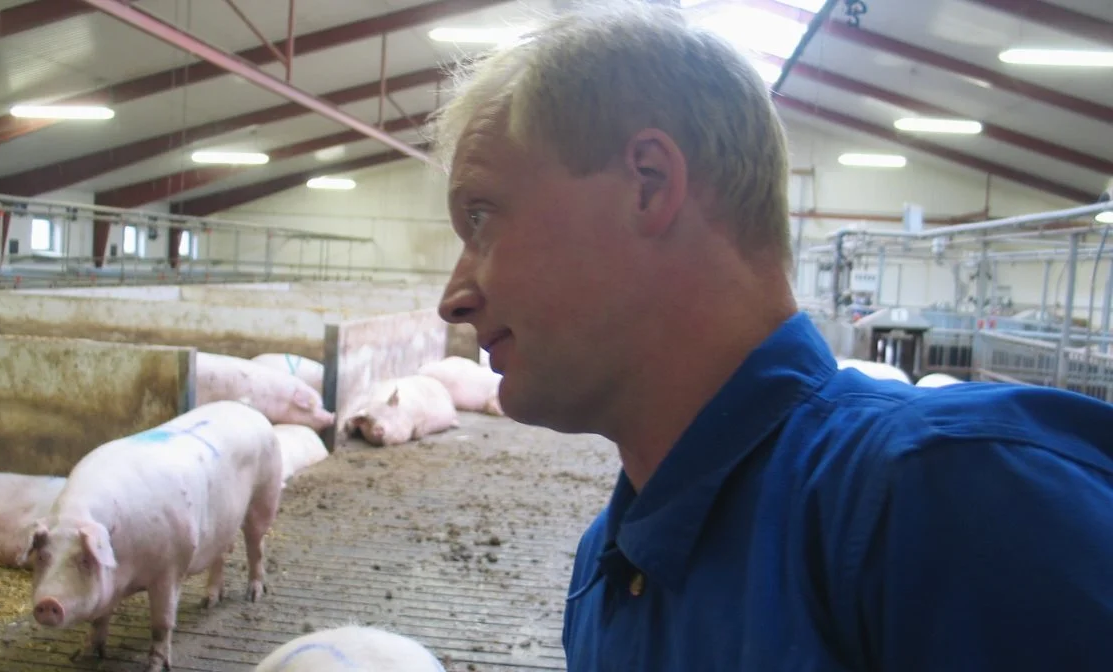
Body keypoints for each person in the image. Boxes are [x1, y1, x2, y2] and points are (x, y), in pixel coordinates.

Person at [430, 1, 1113, 670]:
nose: (453, 300)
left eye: (482, 218)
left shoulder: (941, 499)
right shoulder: (609, 569)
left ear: (648, 183)